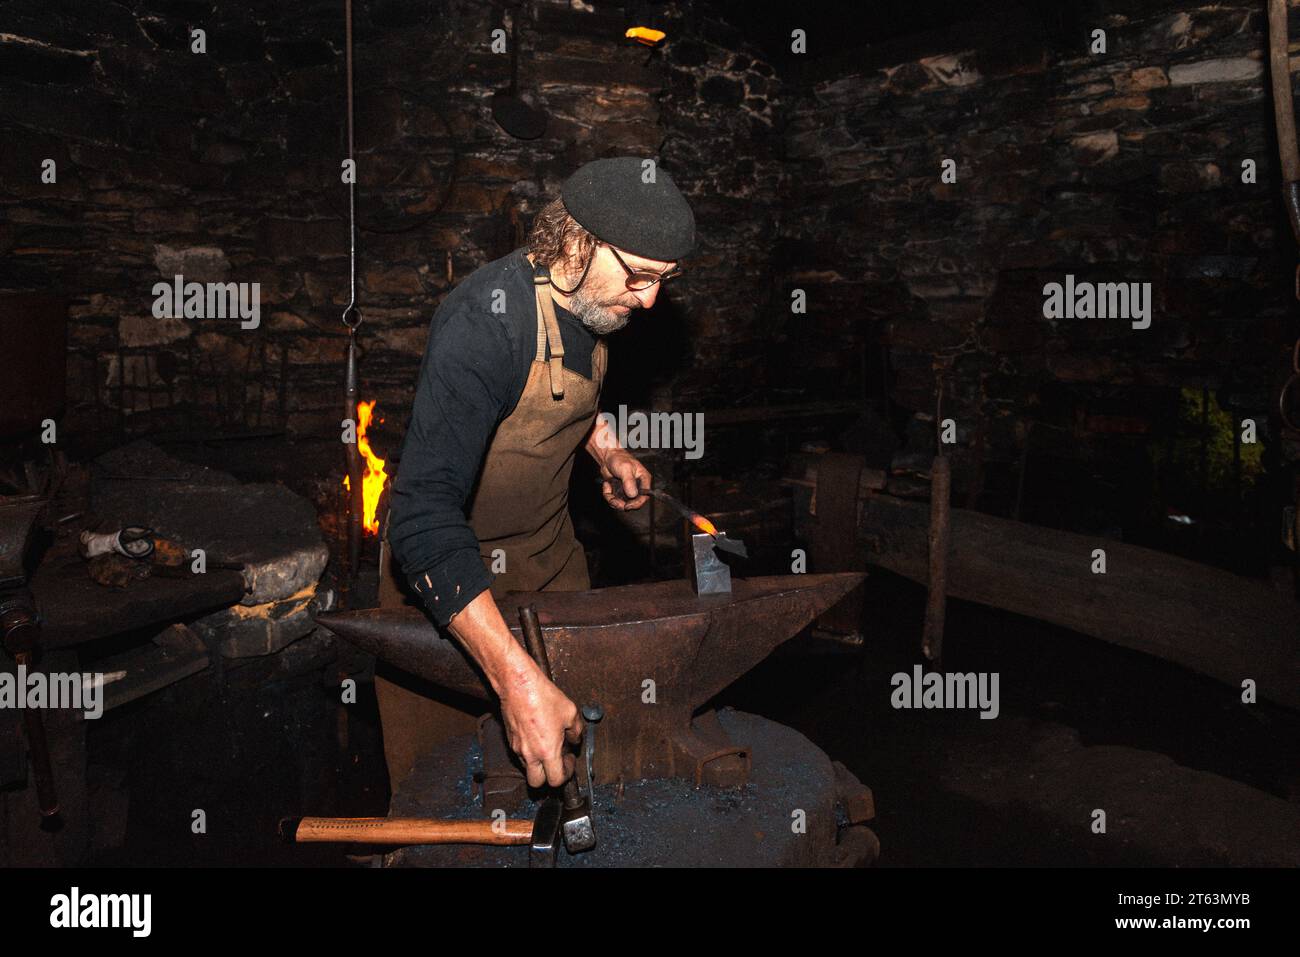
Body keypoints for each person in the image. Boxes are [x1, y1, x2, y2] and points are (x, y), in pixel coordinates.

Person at [381, 156, 696, 796]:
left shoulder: (594, 301)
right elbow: (420, 518)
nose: (651, 298)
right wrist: (513, 678)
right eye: (640, 275)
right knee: (451, 793)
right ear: (577, 242)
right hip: (450, 581)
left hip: (551, 559)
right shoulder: (485, 323)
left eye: (666, 278)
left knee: (590, 767)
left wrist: (606, 449)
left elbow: (561, 396)